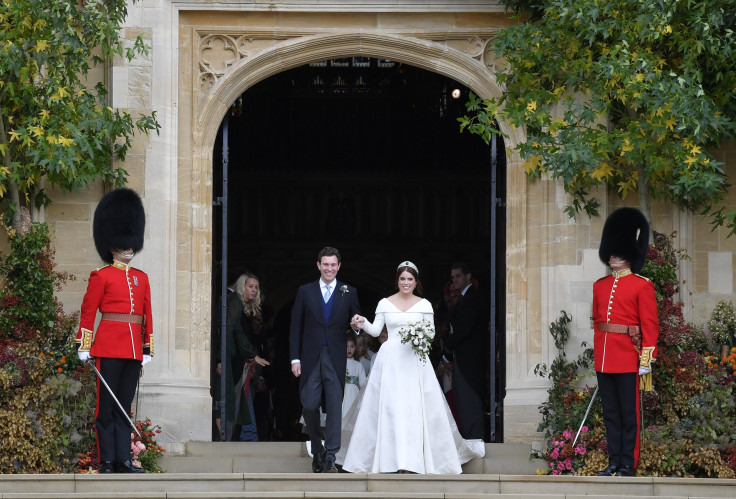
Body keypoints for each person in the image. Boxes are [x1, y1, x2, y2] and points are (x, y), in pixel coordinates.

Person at [338, 261, 485, 474]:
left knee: (413, 410)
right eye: (402, 279)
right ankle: (388, 460)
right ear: (397, 280)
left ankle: (412, 461)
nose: (406, 282)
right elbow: (376, 329)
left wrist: (419, 337)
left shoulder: (424, 304)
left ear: (416, 281)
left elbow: (431, 333)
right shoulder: (385, 303)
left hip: (414, 360)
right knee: (389, 409)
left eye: (410, 279)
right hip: (390, 361)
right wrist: (361, 324)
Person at [76, 188, 152, 474]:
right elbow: (88, 311)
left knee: (123, 408)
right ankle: (106, 460)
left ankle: (123, 459)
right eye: (124, 243)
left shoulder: (141, 279)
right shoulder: (101, 276)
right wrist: (84, 344)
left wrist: (148, 349)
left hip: (133, 349)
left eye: (131, 243)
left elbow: (147, 317)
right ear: (112, 245)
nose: (129, 247)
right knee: (105, 409)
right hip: (107, 346)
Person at [594, 207, 658, 477]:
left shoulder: (642, 286)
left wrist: (646, 362)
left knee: (628, 415)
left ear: (627, 253)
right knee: (611, 414)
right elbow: (597, 322)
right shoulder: (600, 285)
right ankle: (614, 462)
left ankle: (627, 465)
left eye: (616, 251)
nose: (612, 255)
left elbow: (650, 328)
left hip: (629, 359)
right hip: (605, 359)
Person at [290, 246, 361, 473]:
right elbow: (295, 328)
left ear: (339, 266)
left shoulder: (349, 292)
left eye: (333, 265)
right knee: (309, 404)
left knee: (334, 407)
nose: (329, 268)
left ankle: (331, 456)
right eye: (325, 264)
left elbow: (358, 326)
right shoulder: (305, 291)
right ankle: (318, 449)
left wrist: (356, 327)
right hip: (310, 357)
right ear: (318, 265)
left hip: (336, 356)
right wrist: (294, 359)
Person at [223, 273, 270, 441]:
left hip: (236, 362)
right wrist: (252, 355)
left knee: (235, 404)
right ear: (242, 286)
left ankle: (228, 439)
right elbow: (231, 332)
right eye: (250, 286)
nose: (254, 290)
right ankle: (226, 441)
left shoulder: (239, 305)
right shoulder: (235, 303)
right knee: (230, 404)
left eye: (256, 287)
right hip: (232, 362)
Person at [444, 263, 486, 440]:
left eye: (458, 276)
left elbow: (464, 329)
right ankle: (469, 438)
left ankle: (475, 439)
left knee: (470, 399)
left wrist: (447, 347)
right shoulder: (462, 298)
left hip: (470, 359)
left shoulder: (473, 298)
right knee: (462, 400)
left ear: (468, 276)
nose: (455, 280)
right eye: (453, 277)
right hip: (461, 358)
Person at [343, 334, 367, 417]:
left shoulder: (358, 365)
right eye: (346, 346)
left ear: (355, 347)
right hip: (341, 393)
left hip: (353, 395)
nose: (349, 349)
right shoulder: (338, 363)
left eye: (352, 346)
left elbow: (363, 383)